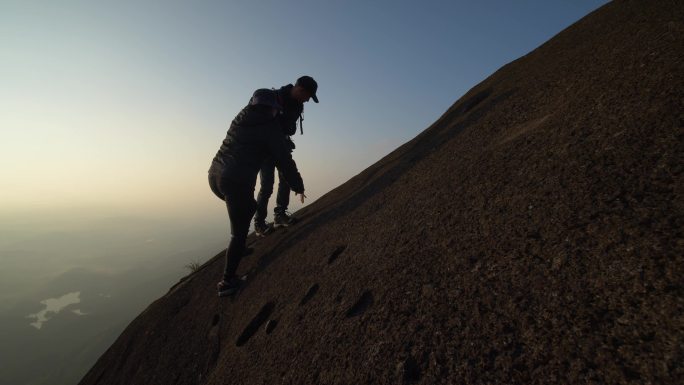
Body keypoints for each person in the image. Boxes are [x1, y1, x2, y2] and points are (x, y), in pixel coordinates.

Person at [208, 88, 306, 297]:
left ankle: (240, 248)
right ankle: (227, 282)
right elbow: (285, 161)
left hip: (215, 176)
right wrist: (298, 185)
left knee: (250, 207)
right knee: (239, 231)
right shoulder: (270, 128)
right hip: (236, 180)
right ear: (271, 109)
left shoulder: (241, 117)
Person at [253, 76, 319, 236]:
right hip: (266, 148)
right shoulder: (274, 97)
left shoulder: (297, 105)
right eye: (308, 96)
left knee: (285, 180)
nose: (307, 101)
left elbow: (289, 129)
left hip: (281, 146)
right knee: (267, 185)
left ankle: (279, 215)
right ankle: (259, 224)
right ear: (300, 90)